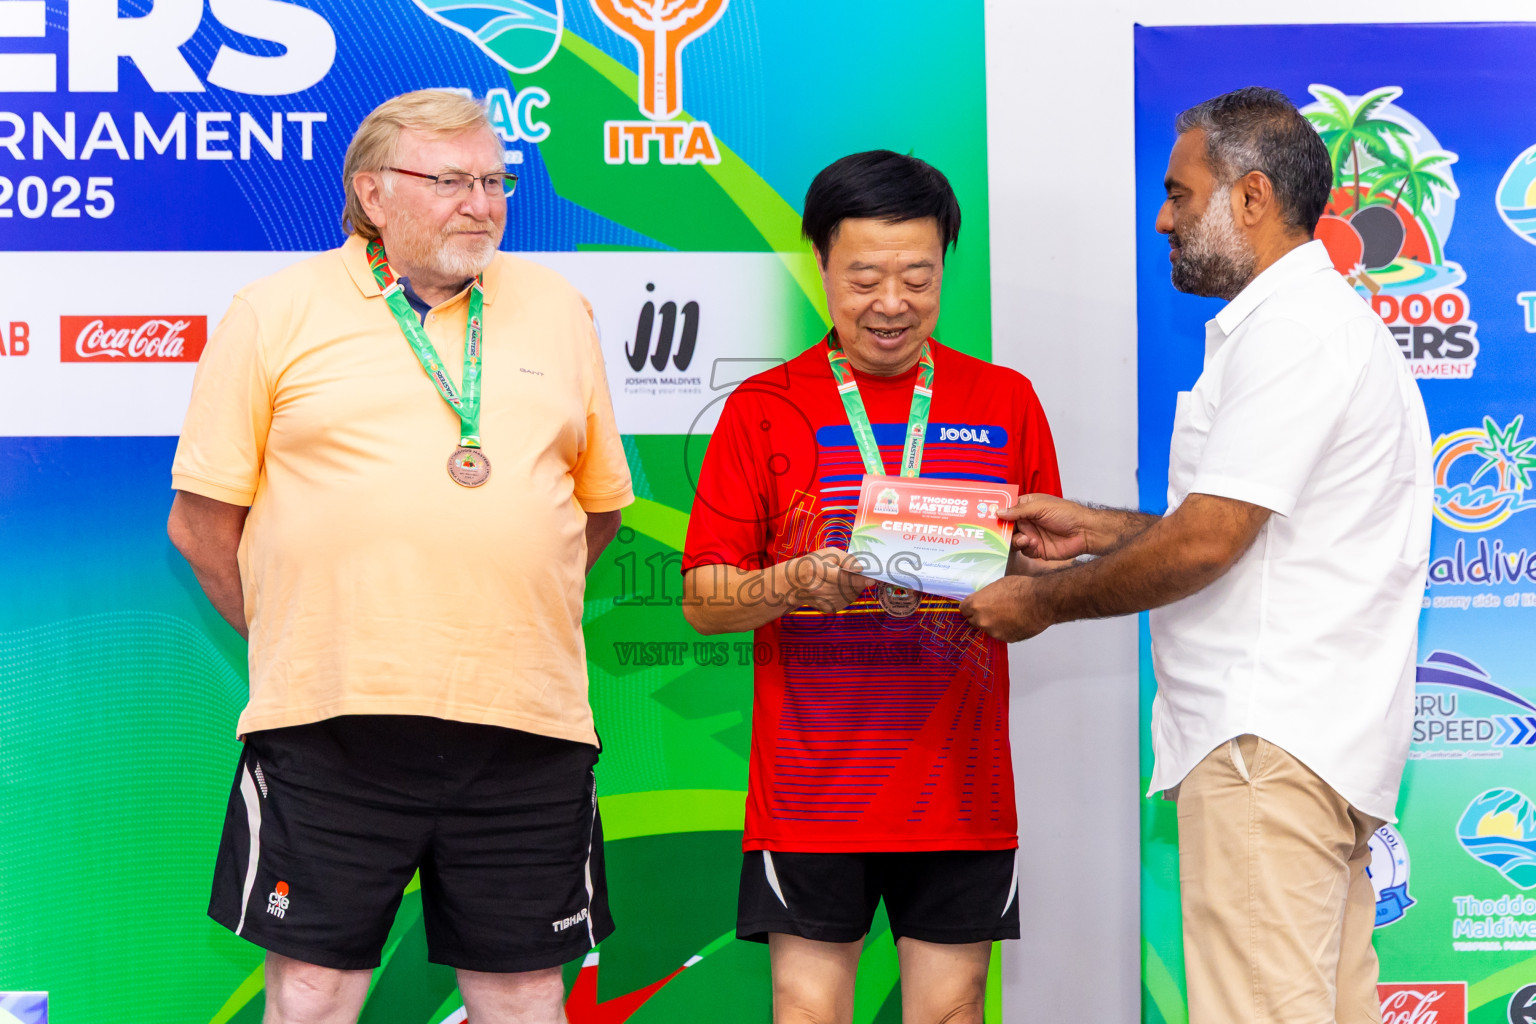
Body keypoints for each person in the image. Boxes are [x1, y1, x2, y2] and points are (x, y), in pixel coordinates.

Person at [962, 87, 1432, 1024]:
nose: (1162, 220)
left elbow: (1212, 540)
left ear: (1250, 198)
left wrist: (1044, 603)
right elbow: (1258, 534)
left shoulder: (1292, 333)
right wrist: (1094, 529)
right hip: (1311, 744)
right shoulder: (1316, 327)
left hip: (1267, 746)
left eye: (1180, 195)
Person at [167, 90, 633, 1024]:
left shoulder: (557, 308)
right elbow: (203, 526)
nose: (482, 203)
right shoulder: (273, 311)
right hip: (332, 722)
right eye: (451, 181)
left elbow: (594, 513)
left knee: (526, 995)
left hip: (525, 723)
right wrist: (312, 636)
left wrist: (498, 606)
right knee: (313, 992)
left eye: (495, 181)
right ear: (372, 193)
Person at [680, 150, 1061, 1024]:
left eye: (917, 279)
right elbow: (704, 598)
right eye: (863, 279)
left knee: (955, 1008)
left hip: (957, 789)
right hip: (812, 791)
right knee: (807, 1010)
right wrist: (791, 582)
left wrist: (1027, 581)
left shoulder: (1005, 400)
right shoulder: (763, 406)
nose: (891, 305)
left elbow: (1040, 593)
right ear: (820, 265)